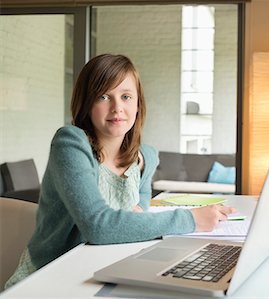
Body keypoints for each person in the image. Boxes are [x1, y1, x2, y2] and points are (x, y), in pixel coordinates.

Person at [5, 54, 235, 288]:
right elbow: (97, 227)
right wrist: (191, 219)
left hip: (103, 269)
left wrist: (133, 218)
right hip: (48, 277)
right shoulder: (70, 144)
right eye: (103, 96)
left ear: (137, 105)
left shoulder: (146, 157)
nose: (117, 108)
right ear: (86, 103)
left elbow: (139, 211)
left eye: (126, 96)